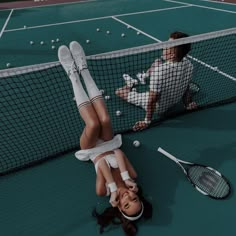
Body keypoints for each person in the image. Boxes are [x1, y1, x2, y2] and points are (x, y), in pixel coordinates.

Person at [58, 41, 152, 236]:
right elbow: (117, 153)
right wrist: (125, 177)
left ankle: (72, 75)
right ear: (137, 195)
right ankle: (84, 70)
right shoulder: (132, 177)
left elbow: (101, 163)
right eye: (135, 199)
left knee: (93, 124)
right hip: (109, 144)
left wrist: (112, 187)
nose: (129, 198)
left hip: (92, 149)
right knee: (105, 119)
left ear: (119, 208)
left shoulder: (102, 191)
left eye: (126, 204)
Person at [116, 31, 197, 131]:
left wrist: (146, 121)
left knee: (119, 92)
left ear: (172, 55)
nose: (163, 46)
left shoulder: (159, 71)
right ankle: (142, 78)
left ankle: (130, 84)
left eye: (166, 46)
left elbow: (152, 100)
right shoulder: (189, 65)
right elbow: (186, 87)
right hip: (175, 100)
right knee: (157, 62)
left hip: (160, 108)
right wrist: (188, 103)